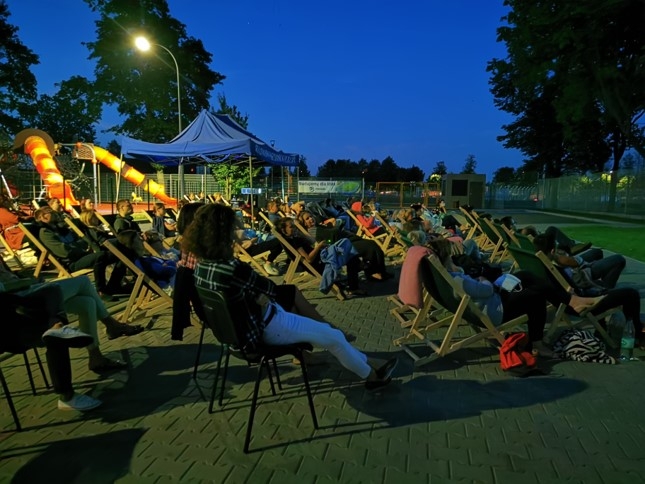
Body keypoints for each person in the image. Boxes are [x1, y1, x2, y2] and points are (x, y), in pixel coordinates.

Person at [182, 203, 397, 390]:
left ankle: (372, 365)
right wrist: (259, 297)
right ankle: (372, 377)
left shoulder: (202, 267)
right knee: (333, 337)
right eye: (232, 229)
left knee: (331, 335)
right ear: (223, 233)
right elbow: (270, 290)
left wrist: (256, 297)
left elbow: (250, 295)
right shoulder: (232, 268)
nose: (235, 233)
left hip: (238, 338)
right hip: (267, 328)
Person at [427, 237, 601, 357]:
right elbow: (485, 290)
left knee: (525, 275)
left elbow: (471, 284)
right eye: (450, 254)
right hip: (495, 309)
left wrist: (466, 273)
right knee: (536, 297)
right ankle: (538, 343)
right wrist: (484, 280)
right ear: (446, 257)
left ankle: (571, 301)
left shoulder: (448, 275)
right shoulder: (457, 279)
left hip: (491, 300)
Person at [35, 206, 127, 295]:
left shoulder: (61, 229)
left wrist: (77, 246)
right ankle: (101, 291)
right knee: (100, 256)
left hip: (82, 255)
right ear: (42, 217)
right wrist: (80, 248)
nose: (54, 213)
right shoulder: (45, 233)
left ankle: (114, 285)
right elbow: (63, 251)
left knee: (121, 254)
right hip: (72, 262)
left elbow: (81, 241)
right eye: (49, 212)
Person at [276, 216, 366, 296]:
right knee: (348, 250)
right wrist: (318, 247)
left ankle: (357, 273)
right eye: (291, 227)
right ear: (284, 230)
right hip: (321, 262)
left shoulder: (294, 238)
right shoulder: (295, 242)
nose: (294, 228)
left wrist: (321, 246)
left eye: (294, 226)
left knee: (347, 250)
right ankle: (355, 284)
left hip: (322, 257)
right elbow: (309, 259)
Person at [297, 210, 390, 281]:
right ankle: (374, 272)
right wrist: (333, 229)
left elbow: (330, 234)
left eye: (311, 216)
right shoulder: (314, 231)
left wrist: (331, 228)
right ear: (304, 223)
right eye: (307, 219)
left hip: (345, 242)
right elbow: (328, 240)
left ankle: (376, 272)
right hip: (341, 247)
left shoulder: (318, 227)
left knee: (371, 244)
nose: (311, 219)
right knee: (370, 246)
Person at [533, 233, 626, 290]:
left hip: (574, 274)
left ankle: (601, 282)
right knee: (619, 259)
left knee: (597, 252)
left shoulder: (538, 259)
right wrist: (561, 256)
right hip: (581, 277)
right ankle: (606, 290)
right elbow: (577, 263)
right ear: (552, 251)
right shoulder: (558, 260)